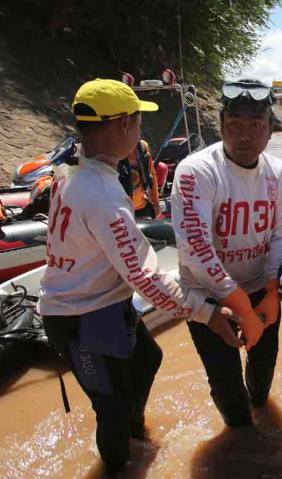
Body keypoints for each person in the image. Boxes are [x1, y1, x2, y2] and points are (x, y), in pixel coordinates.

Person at [39, 79, 213, 477]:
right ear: (122, 125)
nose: (139, 131)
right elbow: (144, 277)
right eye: (137, 122)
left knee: (148, 358)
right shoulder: (101, 192)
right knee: (110, 409)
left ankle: (135, 434)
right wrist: (206, 314)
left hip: (104, 301)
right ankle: (118, 464)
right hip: (78, 317)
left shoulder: (72, 166)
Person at [171, 79, 282, 428]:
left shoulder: (279, 173)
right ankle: (242, 436)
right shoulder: (196, 171)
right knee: (226, 384)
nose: (245, 136)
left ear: (270, 129)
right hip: (210, 298)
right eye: (235, 124)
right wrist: (240, 308)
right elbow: (196, 249)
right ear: (222, 125)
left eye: (256, 126)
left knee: (263, 370)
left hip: (261, 289)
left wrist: (272, 291)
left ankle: (261, 415)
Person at [117, 139, 162, 218]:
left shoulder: (143, 146)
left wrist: (156, 202)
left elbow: (151, 176)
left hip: (141, 207)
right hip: (121, 209)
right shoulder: (113, 148)